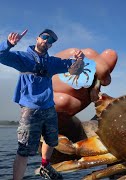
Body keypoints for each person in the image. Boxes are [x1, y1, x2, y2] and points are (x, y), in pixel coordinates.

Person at [0, 28, 86, 180]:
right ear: (38, 39)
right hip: (29, 109)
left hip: (49, 108)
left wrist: (80, 60)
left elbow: (75, 71)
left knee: (52, 140)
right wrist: (8, 44)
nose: (47, 41)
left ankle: (44, 166)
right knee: (24, 150)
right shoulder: (23, 58)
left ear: (51, 45)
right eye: (45, 37)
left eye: (51, 40)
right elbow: (1, 55)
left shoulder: (52, 62)